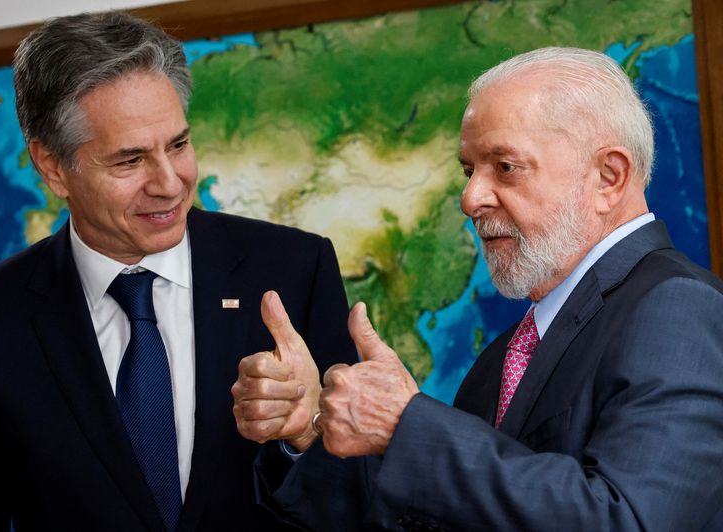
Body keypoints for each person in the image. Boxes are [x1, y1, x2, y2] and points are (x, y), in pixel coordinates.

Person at [231, 47, 723, 530]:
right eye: (469, 171)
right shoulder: (507, 356)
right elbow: (432, 513)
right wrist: (308, 430)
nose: (470, 199)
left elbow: (631, 520)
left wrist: (409, 427)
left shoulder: (677, 306)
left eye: (504, 166)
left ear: (608, 177)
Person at [0, 11, 357, 532]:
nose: (170, 183)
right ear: (52, 167)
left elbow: (360, 501)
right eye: (130, 161)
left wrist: (302, 438)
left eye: (178, 145)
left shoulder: (294, 271)